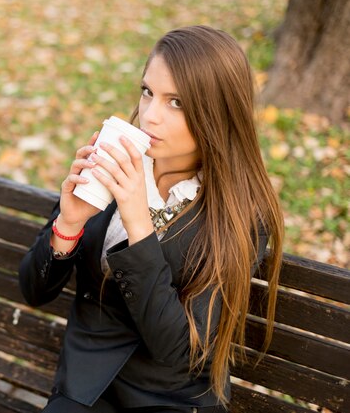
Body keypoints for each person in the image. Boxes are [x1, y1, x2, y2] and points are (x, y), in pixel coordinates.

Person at [18, 25, 284, 413]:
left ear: (217, 111)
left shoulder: (242, 214)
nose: (151, 116)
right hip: (85, 390)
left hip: (172, 400)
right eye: (148, 93)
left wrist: (138, 222)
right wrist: (68, 226)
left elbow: (179, 351)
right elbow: (34, 291)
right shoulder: (113, 159)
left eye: (176, 102)